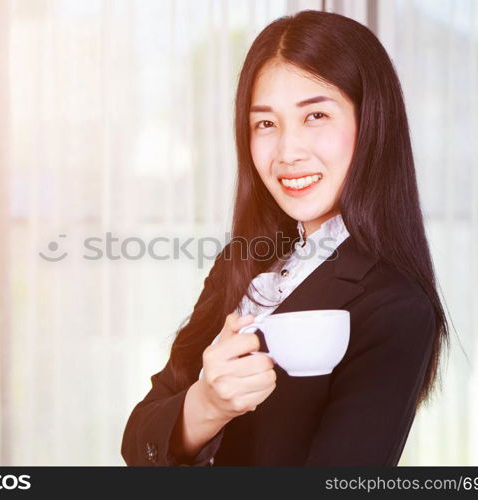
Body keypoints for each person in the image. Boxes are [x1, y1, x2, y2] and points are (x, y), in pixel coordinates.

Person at [121, 9, 449, 466]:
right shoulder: (244, 263)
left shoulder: (394, 305)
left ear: (370, 124)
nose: (287, 152)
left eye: (315, 115)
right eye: (266, 124)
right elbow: (139, 442)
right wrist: (205, 406)